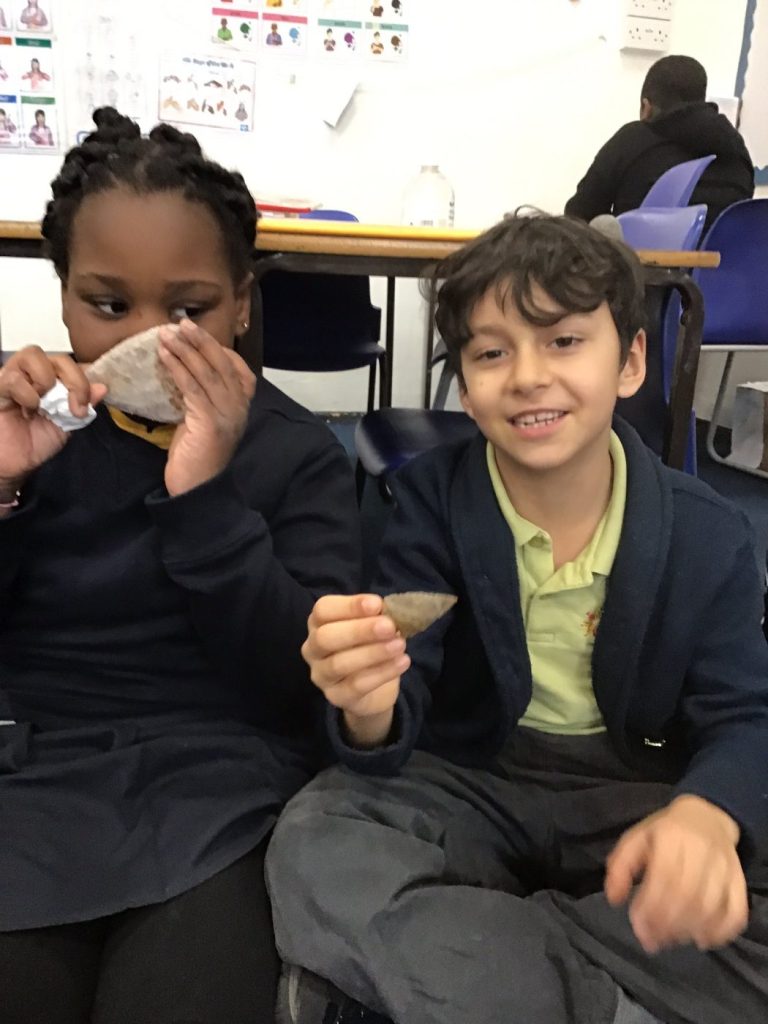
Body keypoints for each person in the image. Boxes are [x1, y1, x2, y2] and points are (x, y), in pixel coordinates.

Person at [265, 212, 768, 1024]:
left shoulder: (708, 532)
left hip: (634, 795)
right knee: (317, 837)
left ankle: (450, 970)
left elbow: (747, 714)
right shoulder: (428, 499)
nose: (529, 376)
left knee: (737, 854)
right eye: (492, 353)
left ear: (630, 361)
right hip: (476, 777)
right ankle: (604, 990)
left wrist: (706, 816)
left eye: (564, 341)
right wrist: (367, 704)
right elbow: (400, 697)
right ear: (466, 388)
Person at [0, 107, 360, 1024]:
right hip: (34, 771)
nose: (152, 341)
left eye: (190, 310)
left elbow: (305, 686)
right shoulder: (27, 425)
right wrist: (2, 488)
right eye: (108, 306)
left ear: (242, 303)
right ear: (63, 295)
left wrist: (204, 498)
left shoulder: (297, 454)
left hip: (222, 784)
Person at [565, 55, 754, 230]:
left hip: (640, 255)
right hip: (726, 257)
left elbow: (578, 218)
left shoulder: (632, 140)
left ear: (646, 107)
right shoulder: (736, 148)